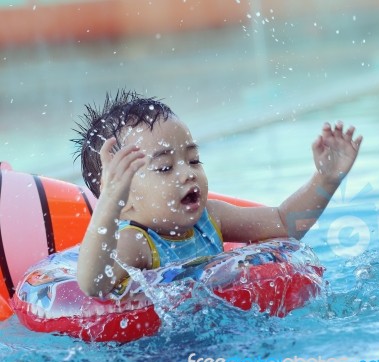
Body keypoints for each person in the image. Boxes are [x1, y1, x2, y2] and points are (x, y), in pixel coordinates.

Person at [72, 90, 362, 298]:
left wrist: (326, 178)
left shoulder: (211, 218)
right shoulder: (136, 241)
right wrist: (109, 202)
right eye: (164, 168)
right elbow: (94, 285)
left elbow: (285, 224)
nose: (187, 173)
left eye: (194, 160)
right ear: (125, 202)